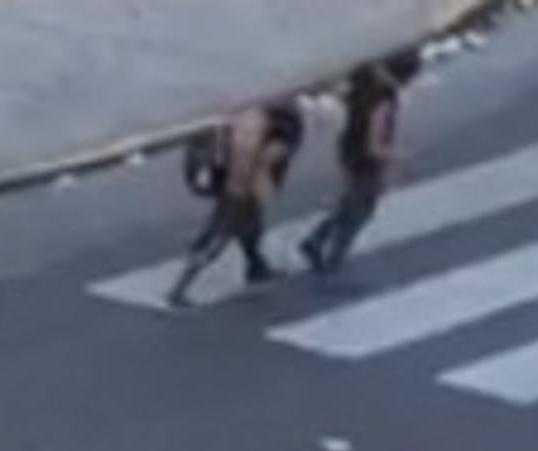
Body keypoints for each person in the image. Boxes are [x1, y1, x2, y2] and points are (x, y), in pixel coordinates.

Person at [166, 99, 301, 307]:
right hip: (240, 194)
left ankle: (257, 268)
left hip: (231, 188)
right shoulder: (274, 131)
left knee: (252, 231)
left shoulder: (240, 116)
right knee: (216, 242)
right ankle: (179, 289)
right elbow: (261, 168)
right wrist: (265, 188)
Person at [304, 55, 417, 276]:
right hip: (365, 161)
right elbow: (374, 145)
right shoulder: (384, 100)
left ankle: (316, 240)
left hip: (349, 148)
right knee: (360, 212)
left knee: (349, 204)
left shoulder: (363, 81)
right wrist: (397, 156)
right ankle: (333, 258)